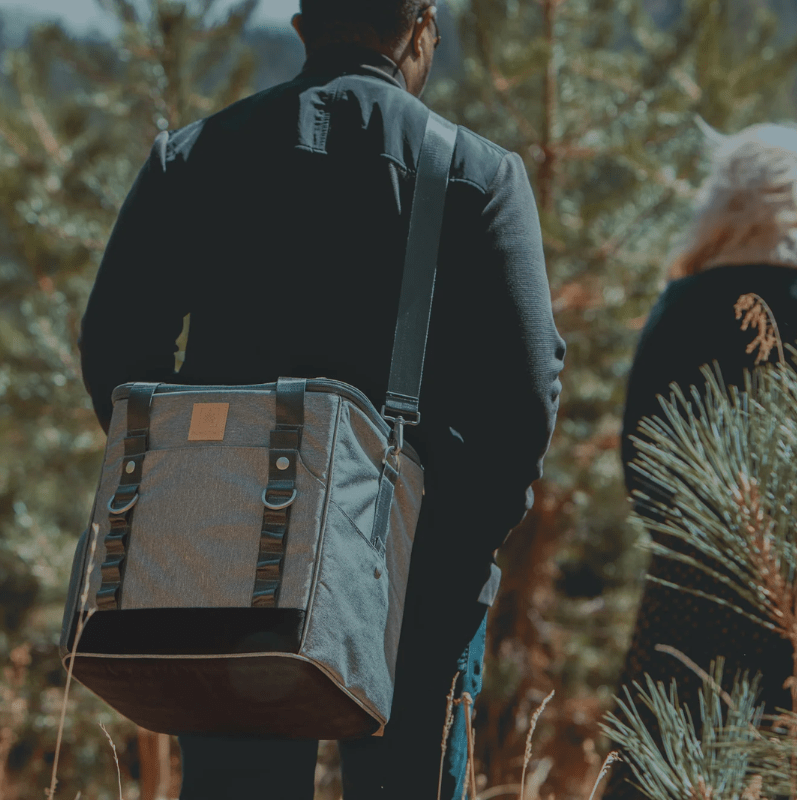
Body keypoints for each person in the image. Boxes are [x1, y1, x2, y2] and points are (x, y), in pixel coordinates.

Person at [77, 1, 566, 797]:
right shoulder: (479, 174)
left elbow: (115, 352)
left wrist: (194, 485)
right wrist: (449, 542)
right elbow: (525, 393)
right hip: (420, 578)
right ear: (422, 28)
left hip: (224, 566)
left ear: (304, 28)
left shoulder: (191, 157)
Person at [604, 121, 797, 799]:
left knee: (662, 773)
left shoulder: (679, 307)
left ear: (723, 201)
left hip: (686, 597)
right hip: (795, 603)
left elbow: (640, 456)